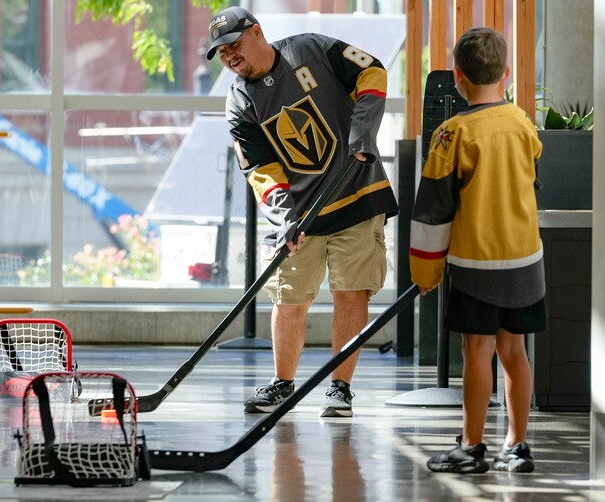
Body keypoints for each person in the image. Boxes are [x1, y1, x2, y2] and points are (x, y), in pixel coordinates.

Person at [206, 6, 398, 418]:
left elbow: (373, 73)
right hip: (301, 213)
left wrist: (363, 131)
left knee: (351, 292)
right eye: (221, 53)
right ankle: (283, 384)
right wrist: (284, 216)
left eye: (234, 45)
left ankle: (339, 388)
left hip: (356, 193)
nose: (229, 57)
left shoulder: (309, 49)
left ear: (257, 32)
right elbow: (260, 168)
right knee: (288, 296)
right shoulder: (239, 99)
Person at [410, 27, 546, 473]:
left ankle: (471, 446)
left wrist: (425, 274)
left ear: (457, 77)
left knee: (477, 351)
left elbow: (433, 211)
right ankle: (518, 444)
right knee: (514, 352)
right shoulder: (523, 122)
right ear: (506, 73)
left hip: (478, 266)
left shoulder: (452, 135)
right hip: (526, 262)